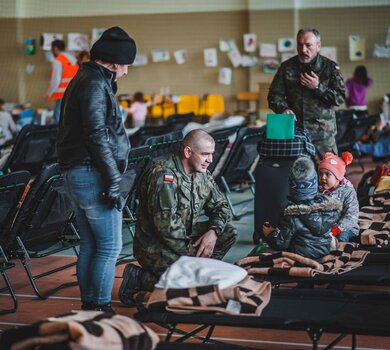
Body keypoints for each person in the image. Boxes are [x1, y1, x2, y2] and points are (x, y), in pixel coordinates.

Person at [56, 26, 136, 313]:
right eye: (126, 65)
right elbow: (95, 134)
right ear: (114, 62)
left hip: (81, 174)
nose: (127, 71)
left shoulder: (88, 78)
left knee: (91, 244)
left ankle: (90, 305)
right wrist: (113, 177)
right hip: (91, 173)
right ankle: (101, 309)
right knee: (110, 246)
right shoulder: (92, 83)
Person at [119, 129, 238, 305]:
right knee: (196, 280)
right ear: (188, 152)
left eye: (211, 154)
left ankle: (192, 273)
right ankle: (139, 278)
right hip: (155, 246)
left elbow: (222, 206)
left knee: (228, 232)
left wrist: (213, 231)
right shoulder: (163, 175)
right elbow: (166, 229)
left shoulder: (202, 174)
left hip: (183, 238)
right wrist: (193, 259)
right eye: (205, 154)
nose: (210, 160)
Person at [268, 28, 345, 159]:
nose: (303, 50)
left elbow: (339, 98)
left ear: (318, 46)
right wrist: (283, 108)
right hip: (294, 132)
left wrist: (317, 87)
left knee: (327, 175)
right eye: (300, 45)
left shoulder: (330, 67)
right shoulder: (287, 67)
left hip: (322, 136)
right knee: (296, 176)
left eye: (308, 45)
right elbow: (274, 96)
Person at [262, 157, 343, 260]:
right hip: (324, 252)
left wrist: (270, 233)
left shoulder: (291, 214)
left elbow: (280, 243)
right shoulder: (328, 207)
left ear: (292, 186)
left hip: (301, 257)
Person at [318, 152, 359, 242]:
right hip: (325, 227)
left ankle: (339, 252)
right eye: (321, 174)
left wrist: (337, 229)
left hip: (345, 227)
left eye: (327, 174)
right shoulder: (318, 190)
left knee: (341, 238)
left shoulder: (348, 192)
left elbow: (351, 215)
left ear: (338, 177)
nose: (323, 178)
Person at [46, 40, 78, 124]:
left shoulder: (58, 60)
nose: (51, 51)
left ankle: (56, 136)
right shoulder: (73, 59)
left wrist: (48, 94)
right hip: (73, 93)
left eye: (51, 49)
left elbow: (55, 80)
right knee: (69, 117)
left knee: (57, 119)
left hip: (61, 94)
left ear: (55, 48)